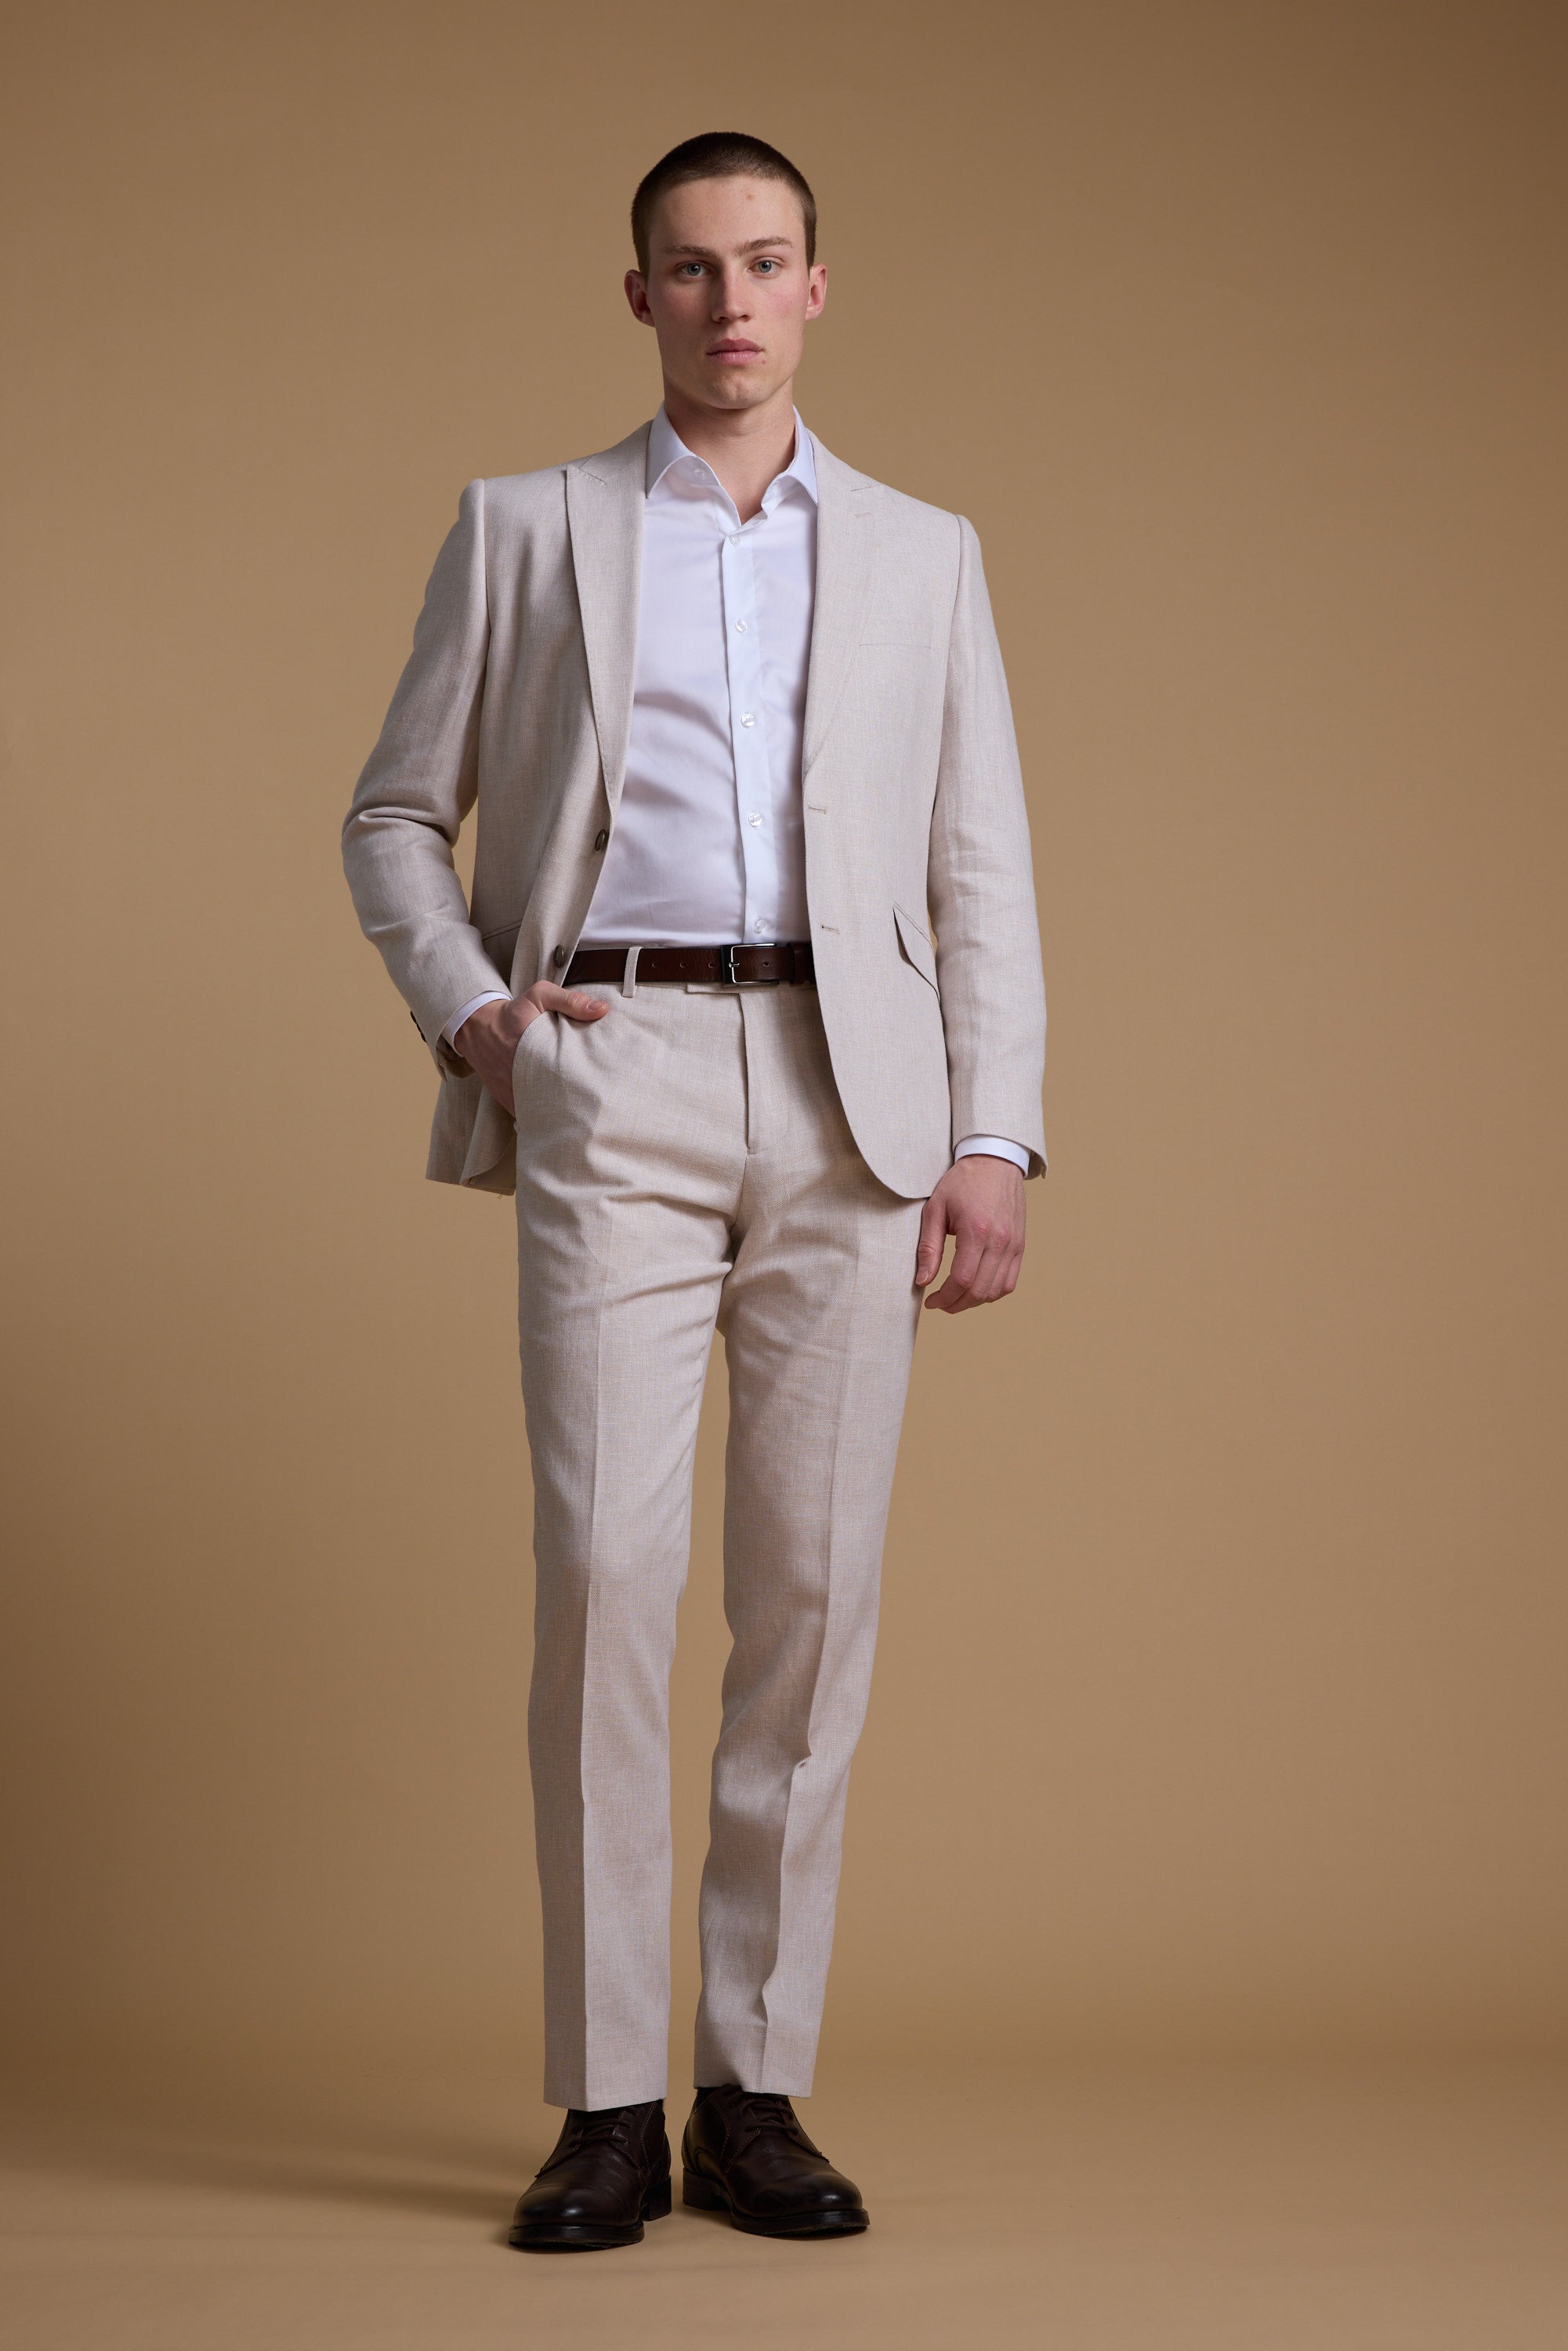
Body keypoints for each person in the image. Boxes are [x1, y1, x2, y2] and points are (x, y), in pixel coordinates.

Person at [343, 131, 1045, 2251]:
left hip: (855, 1098)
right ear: (636, 295)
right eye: (685, 270)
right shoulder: (525, 528)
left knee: (806, 1609)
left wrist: (993, 1137)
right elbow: (393, 817)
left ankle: (753, 2086)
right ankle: (604, 2099)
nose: (728, 304)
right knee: (607, 1584)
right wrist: (474, 1013)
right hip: (614, 1073)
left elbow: (976, 869)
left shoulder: (924, 554)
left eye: (762, 266)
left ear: (815, 287)